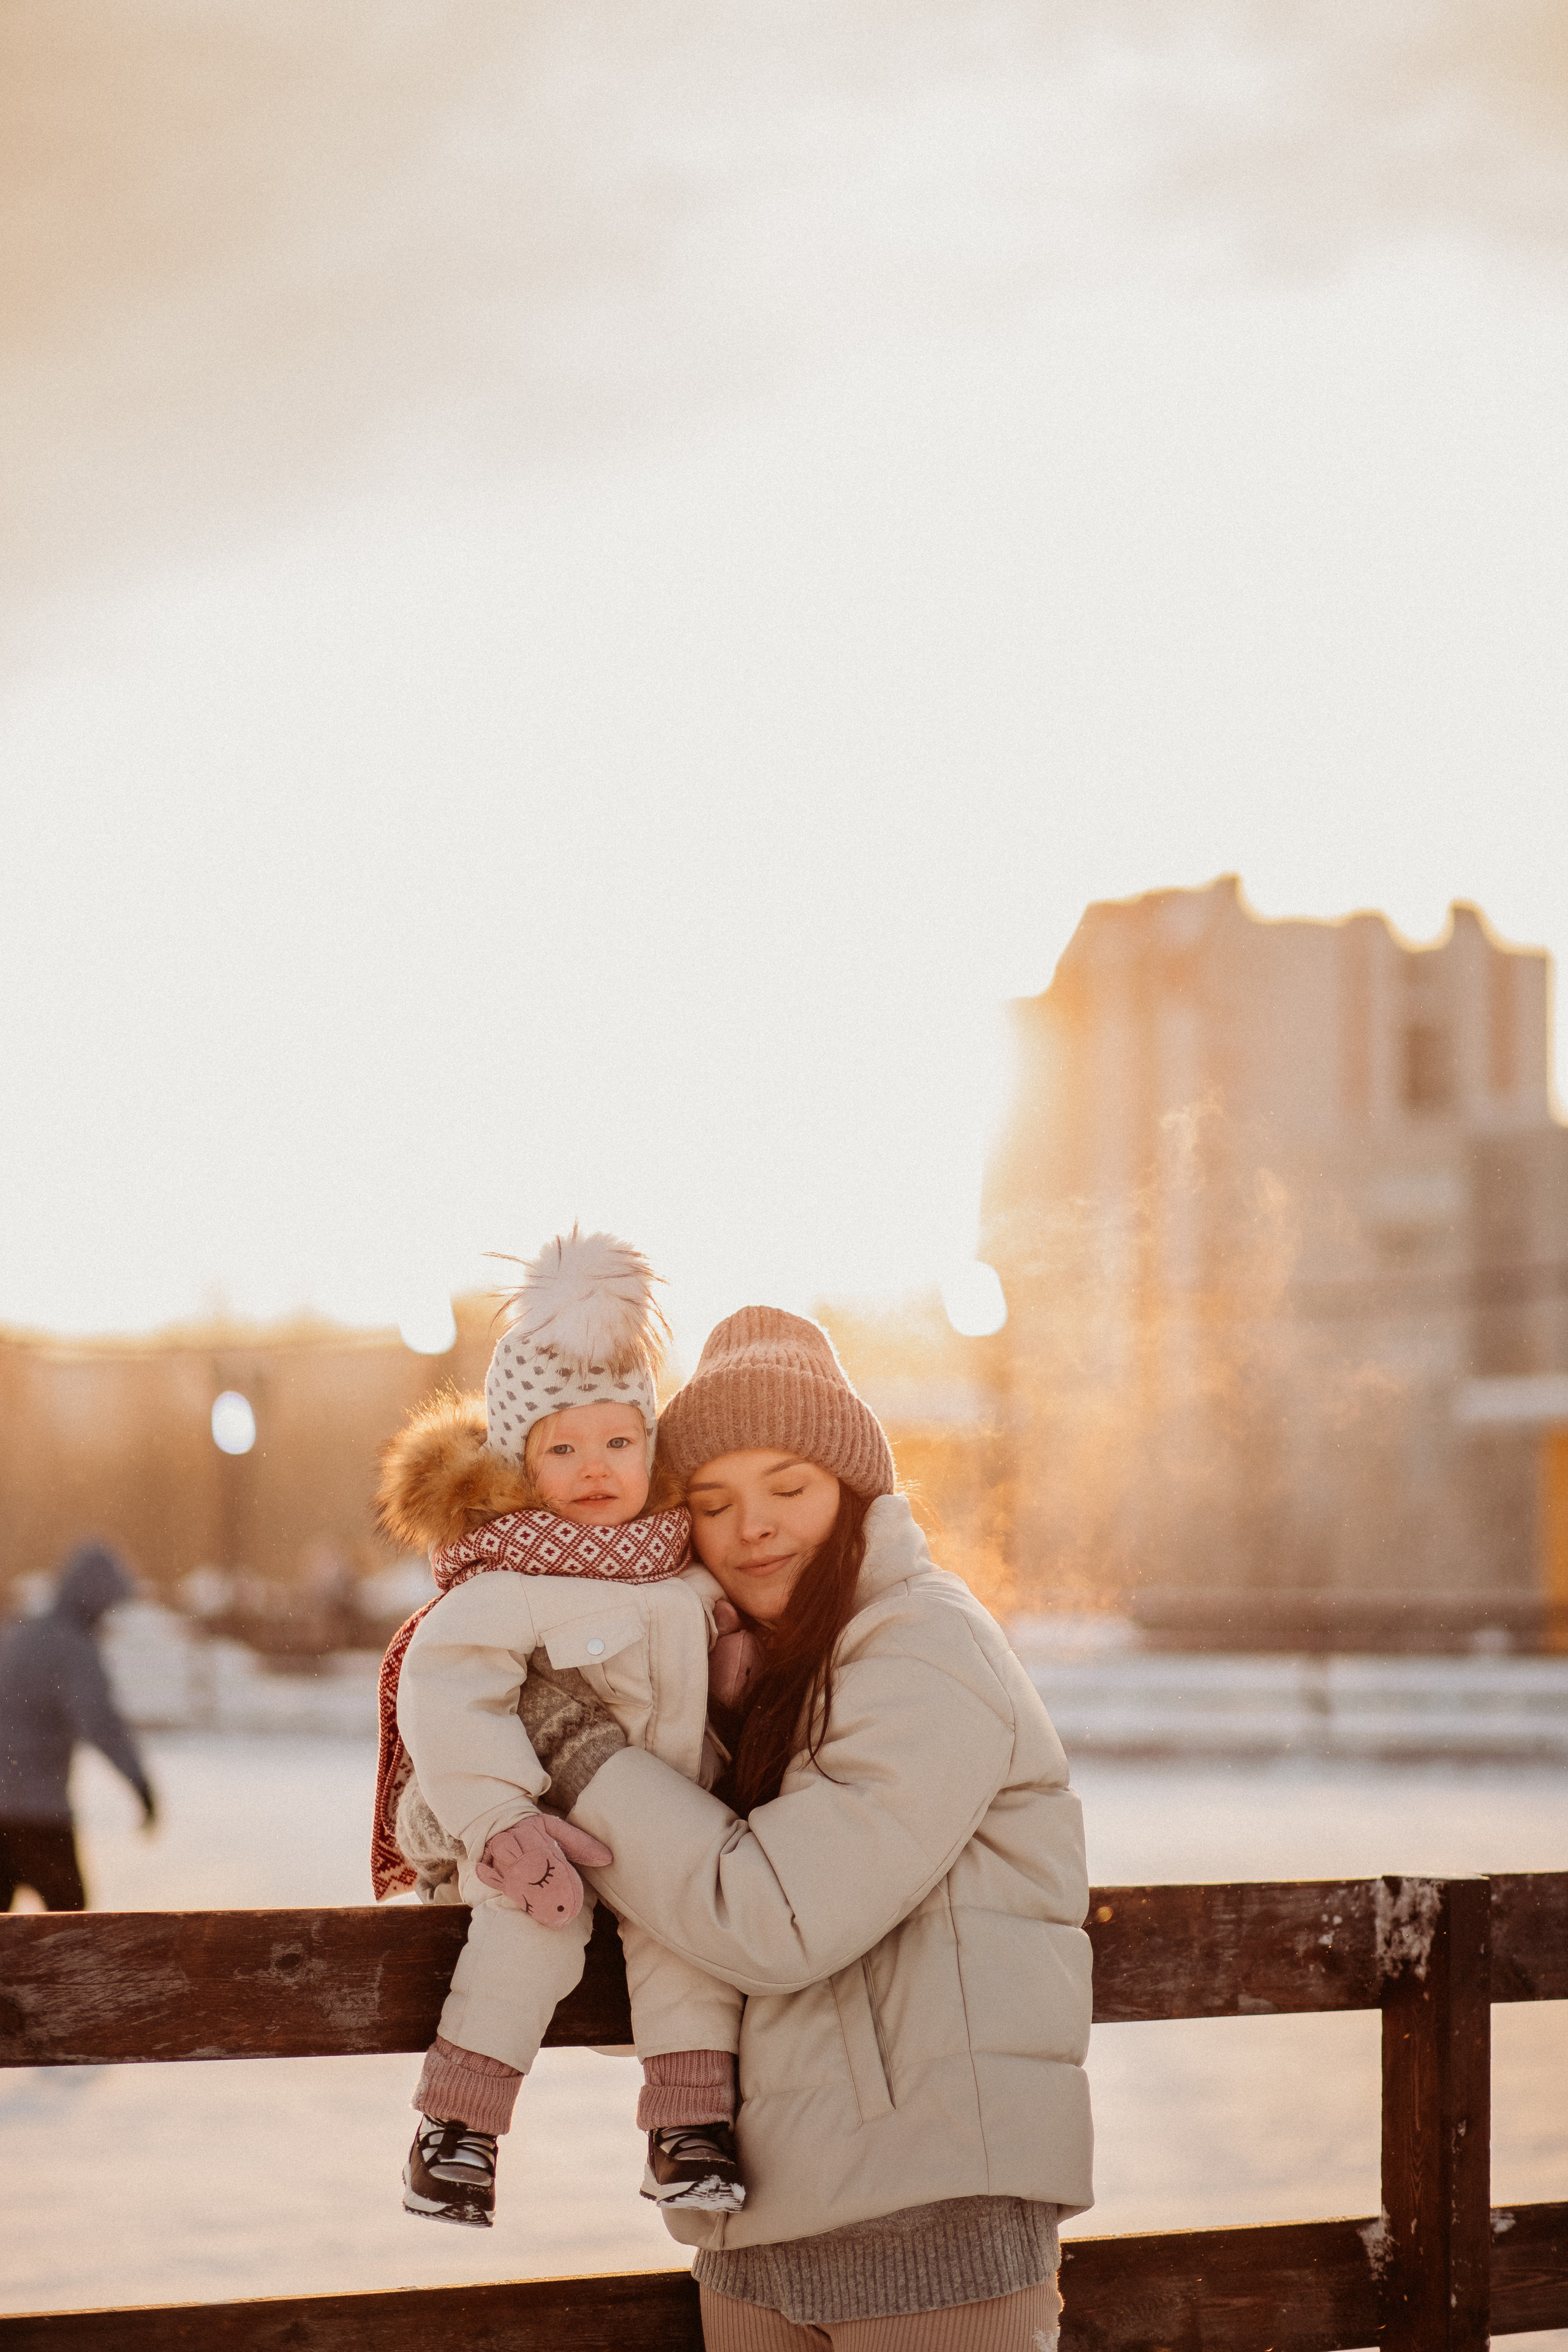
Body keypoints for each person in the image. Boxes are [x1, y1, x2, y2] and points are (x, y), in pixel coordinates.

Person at [524, 1307, 1093, 2350]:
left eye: (789, 1488)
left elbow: (772, 1920)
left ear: (854, 1492)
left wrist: (579, 1755)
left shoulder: (924, 1648)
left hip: (932, 2221)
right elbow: (662, 1946)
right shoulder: (729, 1685)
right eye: (714, 1501)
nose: (755, 1528)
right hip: (753, 2237)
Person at [374, 1229, 763, 2230]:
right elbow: (449, 1687)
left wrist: (733, 1670)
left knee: (690, 1952)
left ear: (649, 1448)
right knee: (528, 1940)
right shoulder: (510, 1579)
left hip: (666, 1828)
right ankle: (456, 2130)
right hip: (542, 1836)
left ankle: (688, 2131)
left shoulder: (678, 1568)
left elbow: (718, 1663)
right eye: (563, 1448)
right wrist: (501, 1820)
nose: (596, 1469)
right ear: (520, 1459)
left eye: (619, 1443)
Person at [0, 1540, 157, 1912]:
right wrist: (139, 1783)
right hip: (42, 1819)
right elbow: (102, 1725)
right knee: (73, 1935)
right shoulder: (73, 1649)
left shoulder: (17, 1635)